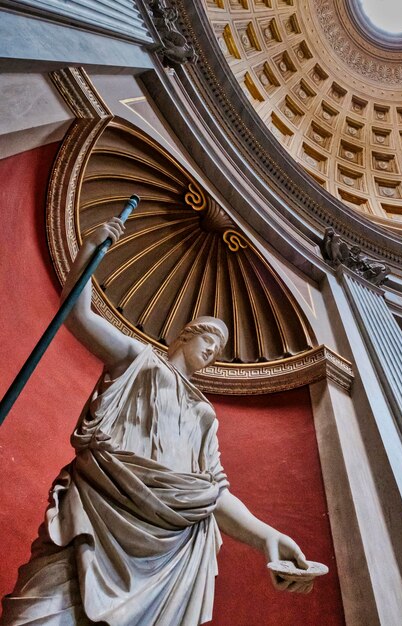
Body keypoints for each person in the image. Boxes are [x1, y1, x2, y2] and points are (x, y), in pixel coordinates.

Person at [1, 218, 309, 626]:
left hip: (169, 552)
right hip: (99, 511)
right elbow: (78, 316)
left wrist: (265, 534)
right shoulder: (137, 360)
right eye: (207, 341)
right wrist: (92, 248)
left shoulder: (204, 414)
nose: (211, 352)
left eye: (217, 352)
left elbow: (214, 493)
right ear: (184, 336)